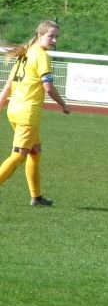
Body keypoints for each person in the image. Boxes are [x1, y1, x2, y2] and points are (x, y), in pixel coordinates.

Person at [0, 20, 71, 206]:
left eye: (56, 36)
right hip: (28, 112)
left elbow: (8, 85)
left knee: (34, 151)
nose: (54, 40)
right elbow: (48, 87)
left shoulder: (25, 52)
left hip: (15, 109)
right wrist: (63, 104)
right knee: (19, 154)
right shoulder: (41, 55)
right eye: (51, 36)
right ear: (40, 35)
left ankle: (37, 197)